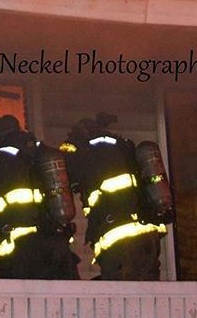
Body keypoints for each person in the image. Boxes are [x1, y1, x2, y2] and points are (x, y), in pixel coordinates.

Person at [0, 114, 79, 279]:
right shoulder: (43, 152)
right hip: (57, 245)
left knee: (24, 303)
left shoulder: (1, 159)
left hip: (24, 253)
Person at [60, 113, 168, 280]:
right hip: (149, 233)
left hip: (118, 236)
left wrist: (69, 146)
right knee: (149, 290)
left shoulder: (87, 151)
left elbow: (66, 175)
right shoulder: (124, 146)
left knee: (121, 294)